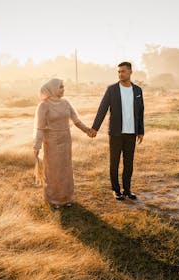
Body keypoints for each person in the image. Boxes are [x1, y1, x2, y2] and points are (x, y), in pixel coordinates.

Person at [88, 62, 144, 200]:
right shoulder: (111, 89)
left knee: (129, 163)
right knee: (114, 162)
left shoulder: (137, 90)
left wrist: (141, 131)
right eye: (119, 72)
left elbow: (140, 112)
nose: (120, 74)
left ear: (130, 72)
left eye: (123, 71)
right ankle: (116, 190)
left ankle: (127, 189)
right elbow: (102, 109)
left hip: (131, 133)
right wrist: (95, 128)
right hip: (116, 133)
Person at [33, 78, 90, 208]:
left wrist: (87, 130)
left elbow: (76, 120)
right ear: (52, 89)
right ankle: (53, 199)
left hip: (65, 140)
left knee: (65, 169)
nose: (63, 89)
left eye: (63, 87)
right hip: (51, 142)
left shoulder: (66, 103)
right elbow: (40, 128)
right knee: (53, 170)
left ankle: (66, 197)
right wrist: (37, 146)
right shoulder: (44, 106)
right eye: (61, 87)